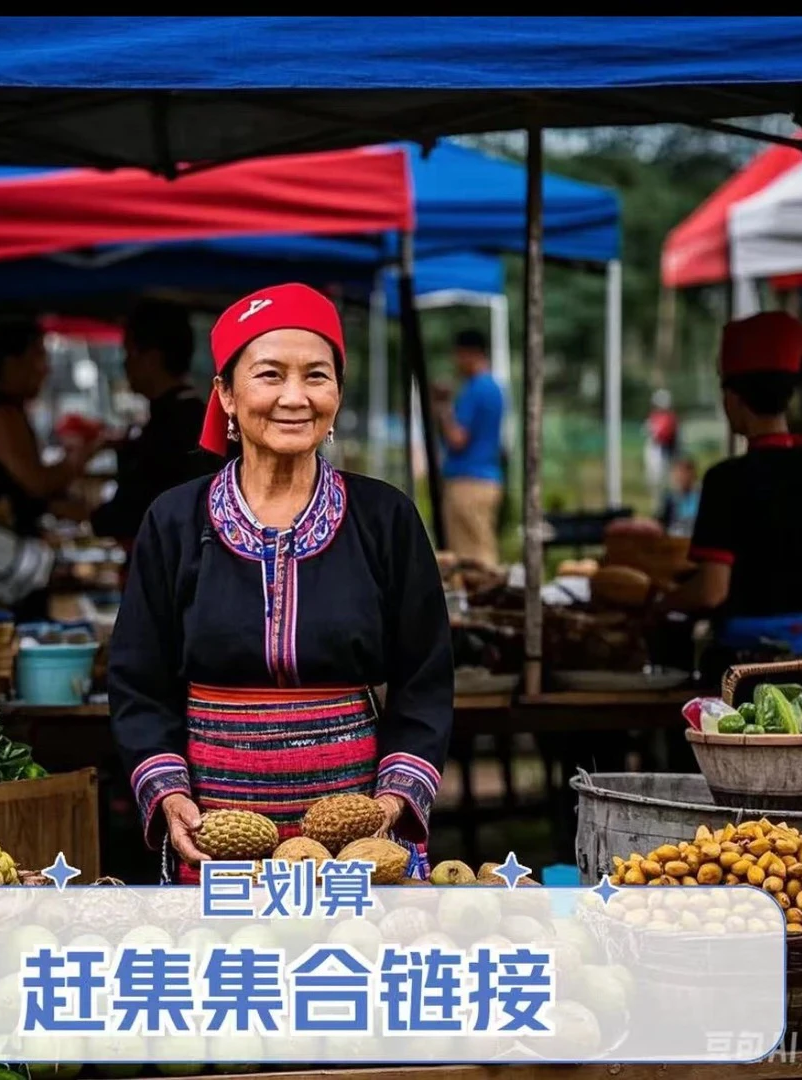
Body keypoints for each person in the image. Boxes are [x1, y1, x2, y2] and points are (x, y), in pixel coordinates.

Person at [107, 283, 454, 884]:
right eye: (269, 375)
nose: (295, 398)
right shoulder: (174, 521)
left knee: (345, 973)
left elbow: (425, 677)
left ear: (338, 395)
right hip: (215, 838)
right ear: (226, 395)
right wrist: (168, 794)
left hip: (356, 842)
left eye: (316, 377)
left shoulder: (385, 518)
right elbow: (140, 680)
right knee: (236, 975)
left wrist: (393, 802)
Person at [657, 311, 802, 670]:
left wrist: (661, 603)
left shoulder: (726, 480)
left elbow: (711, 591)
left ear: (733, 399)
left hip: (749, 669)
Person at [0, 320, 105, 624]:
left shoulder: (9, 412)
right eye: (39, 356)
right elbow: (37, 483)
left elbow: (25, 492)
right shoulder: (1, 415)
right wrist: (82, 456)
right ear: (13, 361)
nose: (46, 369)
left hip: (0, 569)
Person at [91, 298, 208, 548]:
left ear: (152, 358)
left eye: (129, 352)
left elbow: (136, 510)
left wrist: (84, 512)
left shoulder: (171, 428)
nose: (124, 364)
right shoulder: (195, 418)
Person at [434, 329, 505, 569]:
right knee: (480, 546)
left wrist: (443, 407)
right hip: (486, 479)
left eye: (458, 355)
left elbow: (457, 438)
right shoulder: (494, 387)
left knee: (472, 558)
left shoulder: (476, 390)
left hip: (468, 482)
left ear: (469, 354)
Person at [644, 388, 679, 498]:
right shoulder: (653, 417)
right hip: (657, 448)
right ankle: (657, 495)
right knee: (656, 476)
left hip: (667, 448)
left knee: (668, 475)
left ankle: (667, 495)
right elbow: (651, 433)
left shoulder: (671, 418)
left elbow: (673, 435)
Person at [656, 457, 701, 537]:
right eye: (678, 473)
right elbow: (661, 521)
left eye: (685, 472)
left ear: (693, 474)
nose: (681, 477)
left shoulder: (699, 496)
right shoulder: (669, 498)